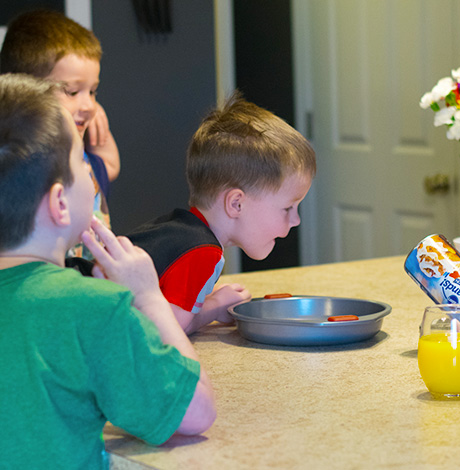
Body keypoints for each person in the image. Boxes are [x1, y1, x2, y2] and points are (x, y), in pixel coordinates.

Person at [0, 74, 216, 468]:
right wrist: (148, 299)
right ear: (59, 204)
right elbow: (196, 412)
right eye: (82, 161)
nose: (91, 174)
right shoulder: (91, 308)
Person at [128, 92, 317, 335]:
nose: (296, 221)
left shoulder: (179, 229)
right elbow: (164, 331)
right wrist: (215, 306)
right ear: (236, 204)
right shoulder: (202, 252)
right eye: (288, 208)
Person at [1, 9, 121, 254]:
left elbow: (110, 165)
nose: (88, 106)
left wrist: (99, 117)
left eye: (93, 92)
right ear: (22, 90)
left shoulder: (86, 162)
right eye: (73, 92)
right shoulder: (19, 167)